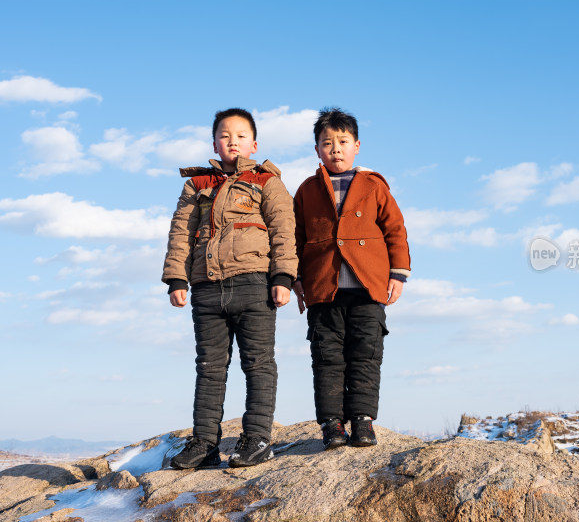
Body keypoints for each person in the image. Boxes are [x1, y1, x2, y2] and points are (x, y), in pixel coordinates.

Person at [162, 108, 297, 468]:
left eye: (240, 136)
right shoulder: (196, 184)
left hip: (254, 282)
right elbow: (180, 232)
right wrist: (177, 277)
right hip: (206, 287)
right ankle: (205, 443)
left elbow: (284, 230)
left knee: (258, 364)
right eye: (225, 135)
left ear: (253, 143)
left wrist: (283, 277)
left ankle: (257, 438)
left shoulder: (268, 182)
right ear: (214, 143)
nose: (232, 141)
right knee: (209, 366)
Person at [292, 107, 411, 450]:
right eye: (327, 143)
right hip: (323, 289)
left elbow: (395, 230)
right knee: (327, 357)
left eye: (343, 141)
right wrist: (297, 279)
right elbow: (295, 238)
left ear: (357, 145)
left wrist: (398, 275)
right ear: (317, 150)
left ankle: (362, 420)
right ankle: (331, 424)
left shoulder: (374, 186)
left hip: (368, 288)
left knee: (365, 355)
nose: (335, 149)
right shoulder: (307, 190)